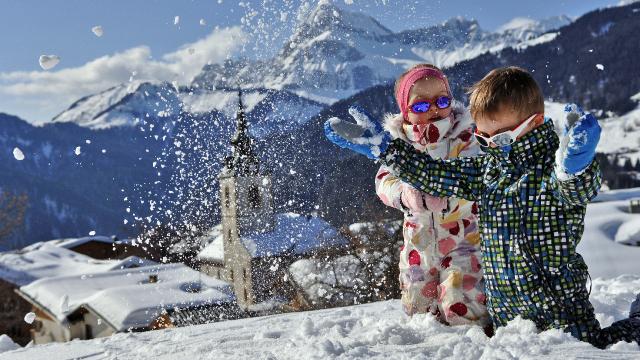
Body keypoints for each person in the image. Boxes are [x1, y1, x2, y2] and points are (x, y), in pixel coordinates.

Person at [324, 66, 640, 348]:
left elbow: (576, 190)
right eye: (483, 139)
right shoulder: (487, 168)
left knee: (598, 347)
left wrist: (576, 169)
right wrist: (388, 150)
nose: (491, 149)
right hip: (507, 317)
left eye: (499, 141)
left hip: (560, 311)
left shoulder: (551, 172)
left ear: (535, 123)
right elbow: (436, 174)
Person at [374, 64, 489, 328]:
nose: (434, 109)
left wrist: (448, 188)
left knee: (462, 303)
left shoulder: (465, 137)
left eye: (442, 100)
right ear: (405, 111)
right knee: (420, 313)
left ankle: (476, 345)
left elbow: (476, 171)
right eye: (421, 106)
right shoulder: (399, 145)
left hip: (464, 242)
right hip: (418, 248)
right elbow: (384, 180)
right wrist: (405, 195)